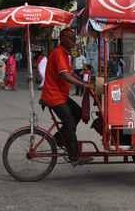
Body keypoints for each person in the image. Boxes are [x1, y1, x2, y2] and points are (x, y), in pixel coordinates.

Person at [40, 28, 94, 167]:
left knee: (77, 113)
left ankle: (59, 138)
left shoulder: (66, 54)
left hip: (61, 95)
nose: (74, 42)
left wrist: (84, 82)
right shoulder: (58, 53)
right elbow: (65, 75)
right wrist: (83, 84)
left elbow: (71, 73)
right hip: (54, 96)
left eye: (74, 39)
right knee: (69, 122)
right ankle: (74, 157)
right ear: (62, 38)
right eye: (71, 39)